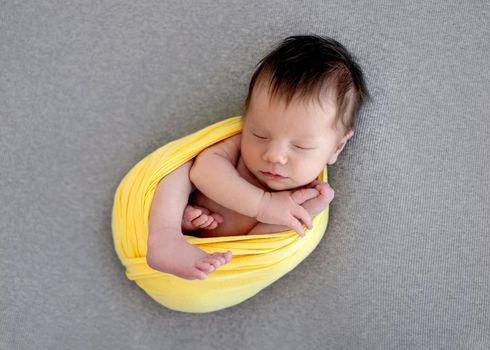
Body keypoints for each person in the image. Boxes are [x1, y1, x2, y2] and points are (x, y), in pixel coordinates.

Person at [146, 35, 369, 281]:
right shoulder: (236, 146)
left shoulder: (308, 196)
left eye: (301, 146)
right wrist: (264, 205)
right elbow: (202, 172)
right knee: (178, 167)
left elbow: (262, 243)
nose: (274, 155)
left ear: (337, 147)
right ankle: (165, 236)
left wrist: (308, 211)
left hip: (223, 264)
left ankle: (187, 230)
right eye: (259, 134)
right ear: (246, 115)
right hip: (182, 230)